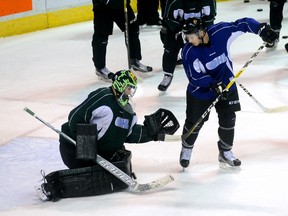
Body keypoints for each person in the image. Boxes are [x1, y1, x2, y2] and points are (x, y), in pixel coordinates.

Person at [38, 70, 179, 201]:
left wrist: (151, 134)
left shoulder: (128, 110)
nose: (131, 92)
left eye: (132, 88)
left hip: (97, 154)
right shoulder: (103, 97)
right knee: (89, 177)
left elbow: (129, 134)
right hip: (74, 150)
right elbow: (75, 117)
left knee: (117, 162)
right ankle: (52, 188)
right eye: (129, 88)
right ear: (120, 85)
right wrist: (87, 147)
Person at [179, 17, 278, 169]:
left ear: (200, 32)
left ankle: (225, 151)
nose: (189, 40)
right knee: (194, 123)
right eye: (187, 37)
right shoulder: (188, 51)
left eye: (191, 37)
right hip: (201, 91)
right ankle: (187, 147)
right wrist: (212, 84)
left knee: (228, 119)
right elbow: (194, 77)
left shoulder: (220, 33)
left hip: (227, 84)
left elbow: (242, 24)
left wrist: (261, 29)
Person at [158, 0, 217, 92]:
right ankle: (168, 74)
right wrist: (182, 32)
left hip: (199, 28)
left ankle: (210, 74)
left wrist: (200, 33)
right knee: (170, 49)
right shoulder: (174, 1)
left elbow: (210, 18)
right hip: (179, 28)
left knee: (207, 48)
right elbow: (169, 19)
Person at [92, 0, 152, 82]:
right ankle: (100, 67)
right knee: (102, 36)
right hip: (103, 6)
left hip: (121, 3)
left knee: (133, 28)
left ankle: (134, 60)